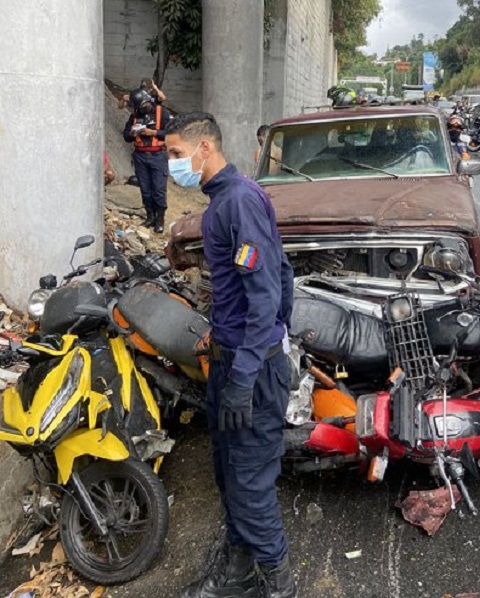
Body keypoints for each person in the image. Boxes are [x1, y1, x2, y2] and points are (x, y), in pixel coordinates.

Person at [164, 112, 296, 598]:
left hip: (251, 370)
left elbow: (265, 297)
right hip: (231, 361)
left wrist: (245, 374)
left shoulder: (238, 201)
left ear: (204, 149)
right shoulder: (225, 201)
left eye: (176, 154)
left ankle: (280, 583)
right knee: (228, 473)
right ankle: (239, 573)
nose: (173, 165)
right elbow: (280, 279)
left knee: (249, 485)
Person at [123, 88, 172, 233]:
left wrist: (153, 133)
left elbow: (171, 133)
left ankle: (160, 219)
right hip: (140, 157)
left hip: (158, 156)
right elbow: (126, 136)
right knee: (145, 189)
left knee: (158, 190)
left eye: (144, 105)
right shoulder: (134, 116)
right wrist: (132, 132)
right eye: (139, 107)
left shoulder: (161, 113)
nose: (143, 108)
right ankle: (150, 217)